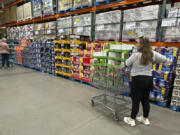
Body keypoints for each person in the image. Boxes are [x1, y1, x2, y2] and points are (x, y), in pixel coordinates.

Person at [123, 37, 170, 127]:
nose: (136, 44)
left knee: (136, 101)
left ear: (141, 45)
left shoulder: (135, 55)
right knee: (145, 100)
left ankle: (132, 119)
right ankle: (145, 119)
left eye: (137, 43)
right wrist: (154, 63)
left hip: (137, 80)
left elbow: (127, 63)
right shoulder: (152, 54)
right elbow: (165, 60)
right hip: (148, 79)